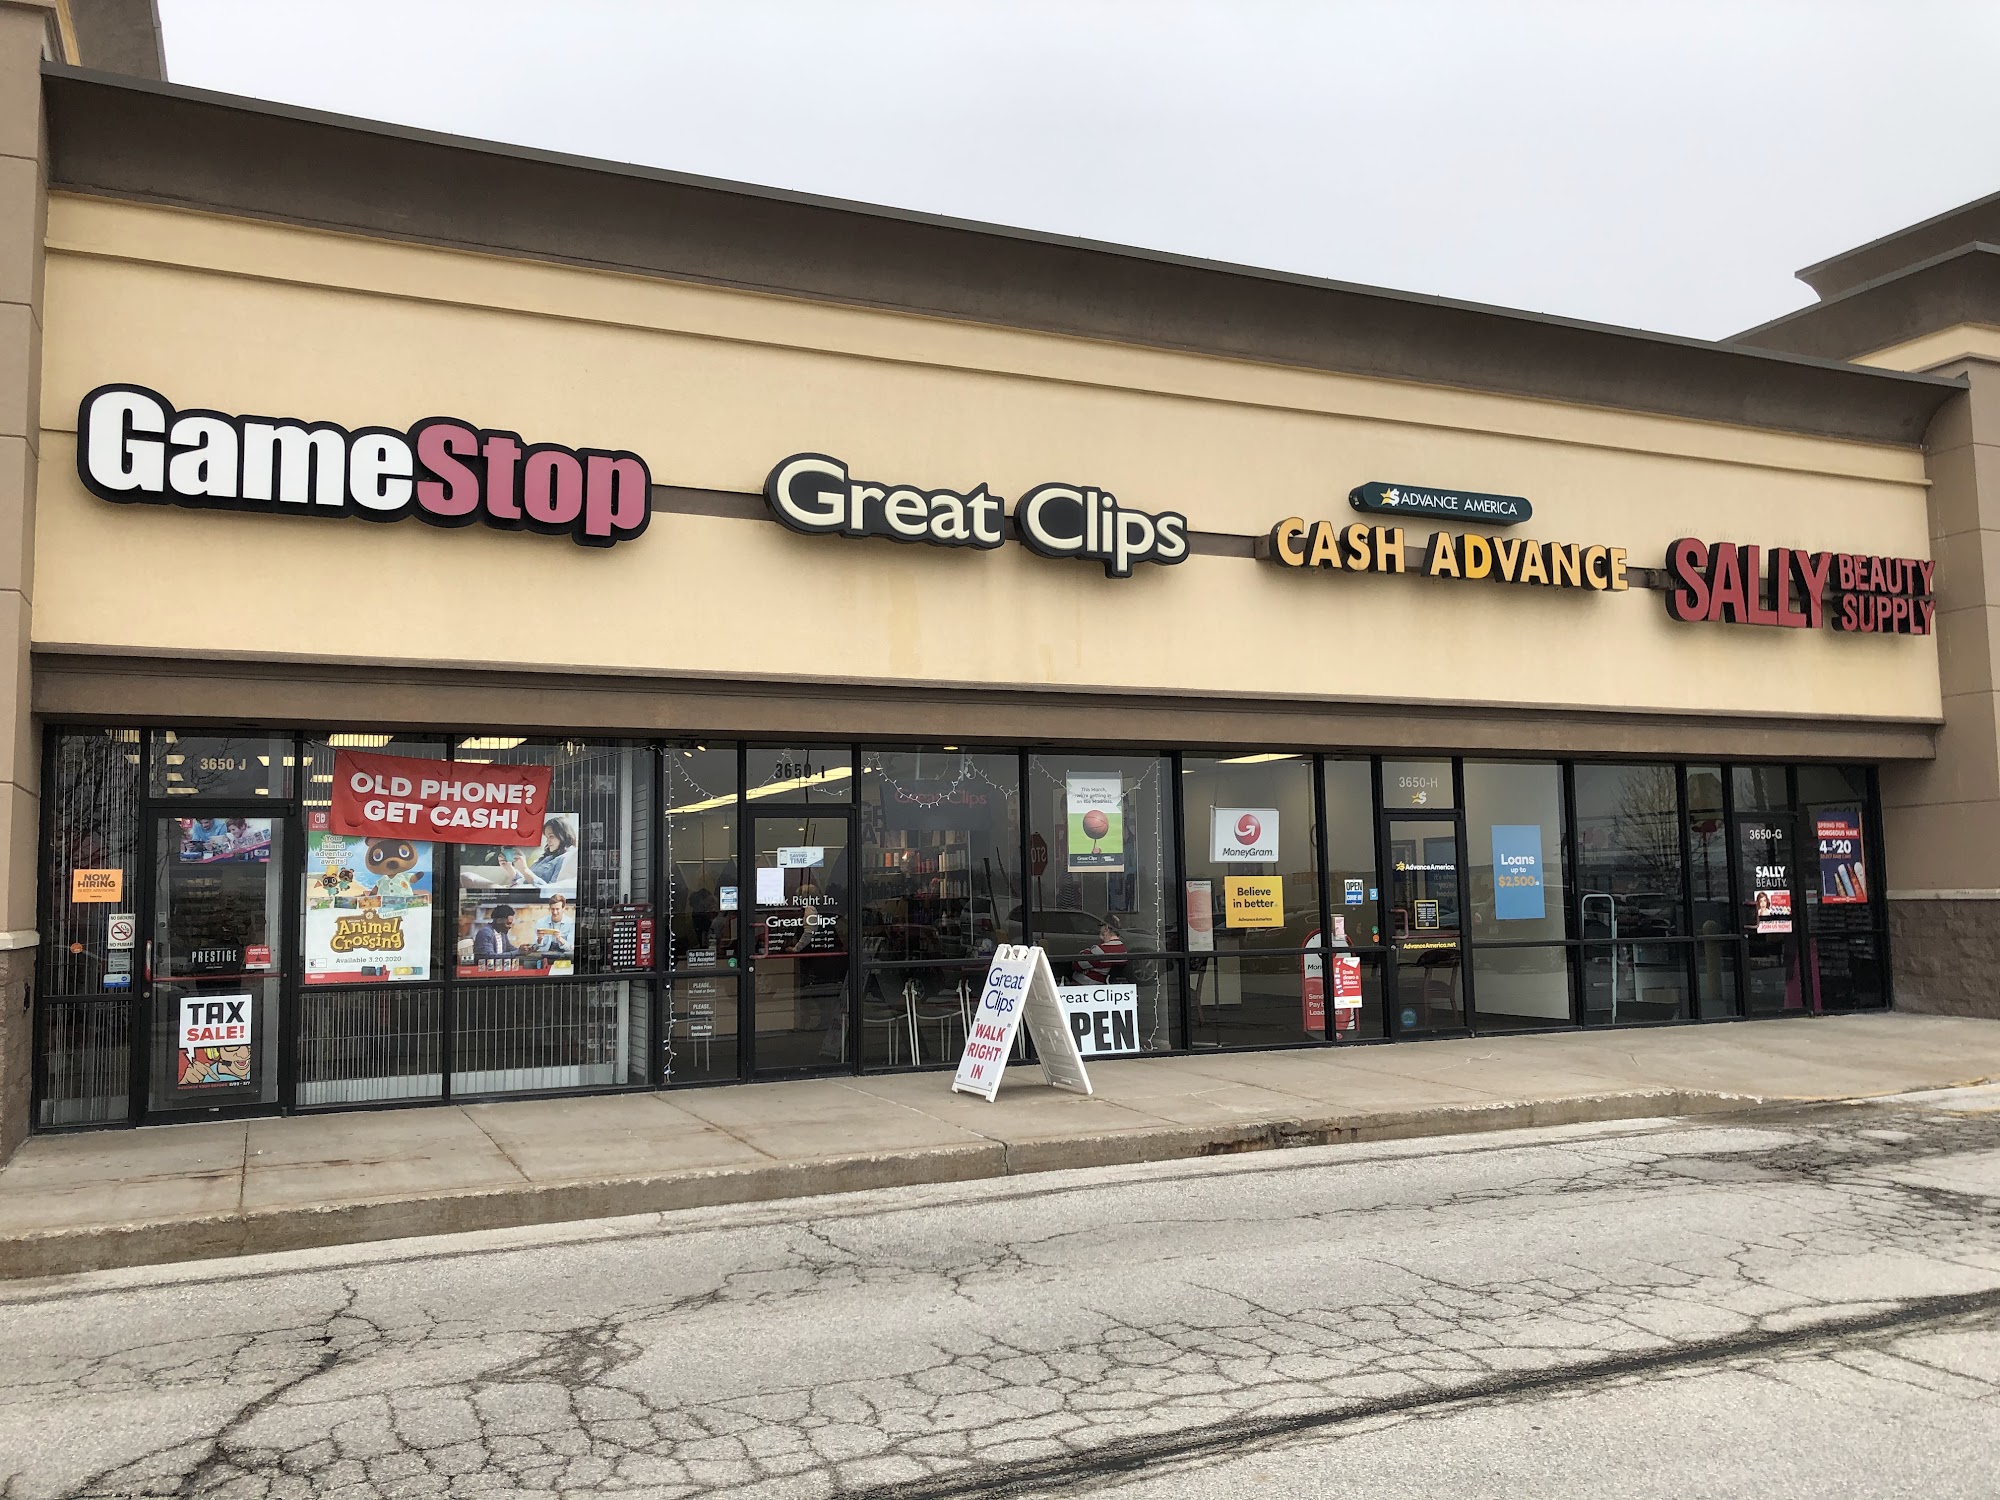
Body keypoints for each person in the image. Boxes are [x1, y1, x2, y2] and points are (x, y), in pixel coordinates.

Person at [1074, 919, 1127, 984]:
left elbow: (1076, 965)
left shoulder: (1101, 950)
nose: (1099, 929)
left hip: (1088, 983)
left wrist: (1086, 953)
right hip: (1103, 984)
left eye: (1100, 926)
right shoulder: (1123, 949)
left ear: (1106, 928)